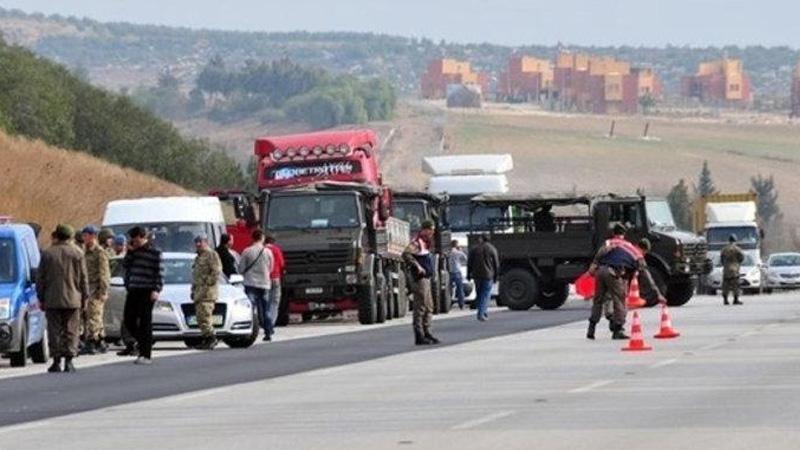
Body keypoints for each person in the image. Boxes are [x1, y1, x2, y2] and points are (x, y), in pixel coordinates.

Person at [587, 224, 664, 340]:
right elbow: (647, 277)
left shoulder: (610, 242)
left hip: (600, 271)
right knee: (620, 301)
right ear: (644, 250)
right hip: (613, 273)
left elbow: (602, 252)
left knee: (598, 300)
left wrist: (594, 264)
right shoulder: (635, 252)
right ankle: (617, 330)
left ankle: (591, 329)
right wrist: (658, 294)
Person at [37, 224, 88, 373]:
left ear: (57, 235)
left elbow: (40, 279)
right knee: (71, 330)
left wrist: (41, 297)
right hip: (73, 298)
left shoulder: (47, 254)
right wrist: (85, 296)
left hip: (52, 299)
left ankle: (56, 361)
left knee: (54, 330)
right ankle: (69, 361)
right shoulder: (78, 253)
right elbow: (83, 278)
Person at [121, 226, 163, 364]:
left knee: (145, 322)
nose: (134, 242)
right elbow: (125, 265)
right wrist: (129, 253)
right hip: (134, 289)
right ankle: (144, 342)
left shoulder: (155, 252)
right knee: (128, 320)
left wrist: (156, 289)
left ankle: (146, 355)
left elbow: (160, 273)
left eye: (135, 239)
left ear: (142, 236)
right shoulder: (134, 251)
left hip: (147, 290)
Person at [403, 220, 440, 345]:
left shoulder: (426, 243)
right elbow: (406, 254)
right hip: (420, 280)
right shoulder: (417, 242)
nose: (432, 232)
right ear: (425, 230)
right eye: (431, 230)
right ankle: (419, 334)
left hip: (427, 279)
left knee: (429, 306)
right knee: (421, 307)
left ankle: (427, 331)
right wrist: (417, 266)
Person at [79, 225, 111, 355]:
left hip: (95, 287)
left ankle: (91, 342)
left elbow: (104, 273)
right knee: (90, 315)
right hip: (86, 287)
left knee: (93, 315)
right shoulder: (83, 251)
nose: (84, 238)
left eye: (86, 235)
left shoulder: (99, 252)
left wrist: (103, 292)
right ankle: (100, 341)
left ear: (92, 236)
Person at [238, 229, 274, 341]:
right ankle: (268, 332)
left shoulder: (247, 251)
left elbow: (241, 268)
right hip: (265, 283)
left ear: (252, 238)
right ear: (262, 238)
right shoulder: (268, 252)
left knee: (250, 309)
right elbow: (271, 267)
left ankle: (250, 331)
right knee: (266, 309)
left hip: (250, 283)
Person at [192, 234, 223, 349]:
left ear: (206, 242)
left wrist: (207, 283)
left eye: (200, 241)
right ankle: (206, 338)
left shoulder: (211, 254)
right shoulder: (199, 257)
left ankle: (211, 338)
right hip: (199, 293)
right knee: (200, 317)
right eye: (196, 242)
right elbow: (196, 276)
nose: (198, 244)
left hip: (207, 293)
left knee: (205, 316)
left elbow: (216, 271)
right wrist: (193, 289)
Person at [468, 234, 500, 322]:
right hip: (488, 275)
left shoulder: (474, 249)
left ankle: (482, 312)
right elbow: (496, 264)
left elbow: (469, 263)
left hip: (477, 275)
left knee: (479, 294)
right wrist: (496, 276)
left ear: (481, 239)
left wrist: (468, 274)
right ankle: (481, 313)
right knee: (485, 295)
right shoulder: (492, 249)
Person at [265, 233, 285, 329]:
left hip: (265, 278)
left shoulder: (263, 250)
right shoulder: (276, 250)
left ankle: (265, 319)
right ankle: (272, 322)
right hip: (276, 277)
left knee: (266, 300)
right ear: (273, 241)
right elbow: (281, 264)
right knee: (275, 301)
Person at [721, 234, 745, 306]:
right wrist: (737, 263)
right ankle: (735, 300)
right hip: (735, 268)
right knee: (736, 285)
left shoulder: (724, 249)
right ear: (735, 240)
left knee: (725, 285)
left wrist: (725, 264)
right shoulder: (737, 249)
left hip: (726, 269)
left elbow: (721, 259)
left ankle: (725, 300)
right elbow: (742, 258)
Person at [448, 240, 468, 309]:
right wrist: (461, 250)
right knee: (460, 289)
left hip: (449, 272)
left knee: (448, 289)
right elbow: (465, 259)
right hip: (457, 272)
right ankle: (461, 304)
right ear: (456, 245)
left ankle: (448, 303)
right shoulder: (458, 252)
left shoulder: (448, 252)